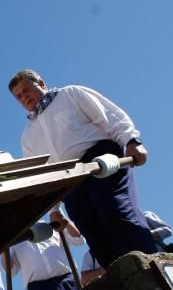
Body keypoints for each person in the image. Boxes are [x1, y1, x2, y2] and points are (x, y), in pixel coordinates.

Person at [9, 69, 156, 269]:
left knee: (115, 210)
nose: (24, 97)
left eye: (26, 89)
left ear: (41, 83)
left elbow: (108, 114)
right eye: (19, 96)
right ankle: (120, 279)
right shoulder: (28, 136)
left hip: (99, 159)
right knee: (92, 230)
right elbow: (41, 173)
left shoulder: (71, 94)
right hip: (69, 180)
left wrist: (131, 140)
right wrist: (53, 210)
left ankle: (151, 268)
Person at [3, 211, 84, 290]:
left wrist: (63, 219)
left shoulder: (52, 224)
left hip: (66, 280)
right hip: (39, 288)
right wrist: (4, 246)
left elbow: (78, 240)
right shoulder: (14, 238)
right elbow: (10, 270)